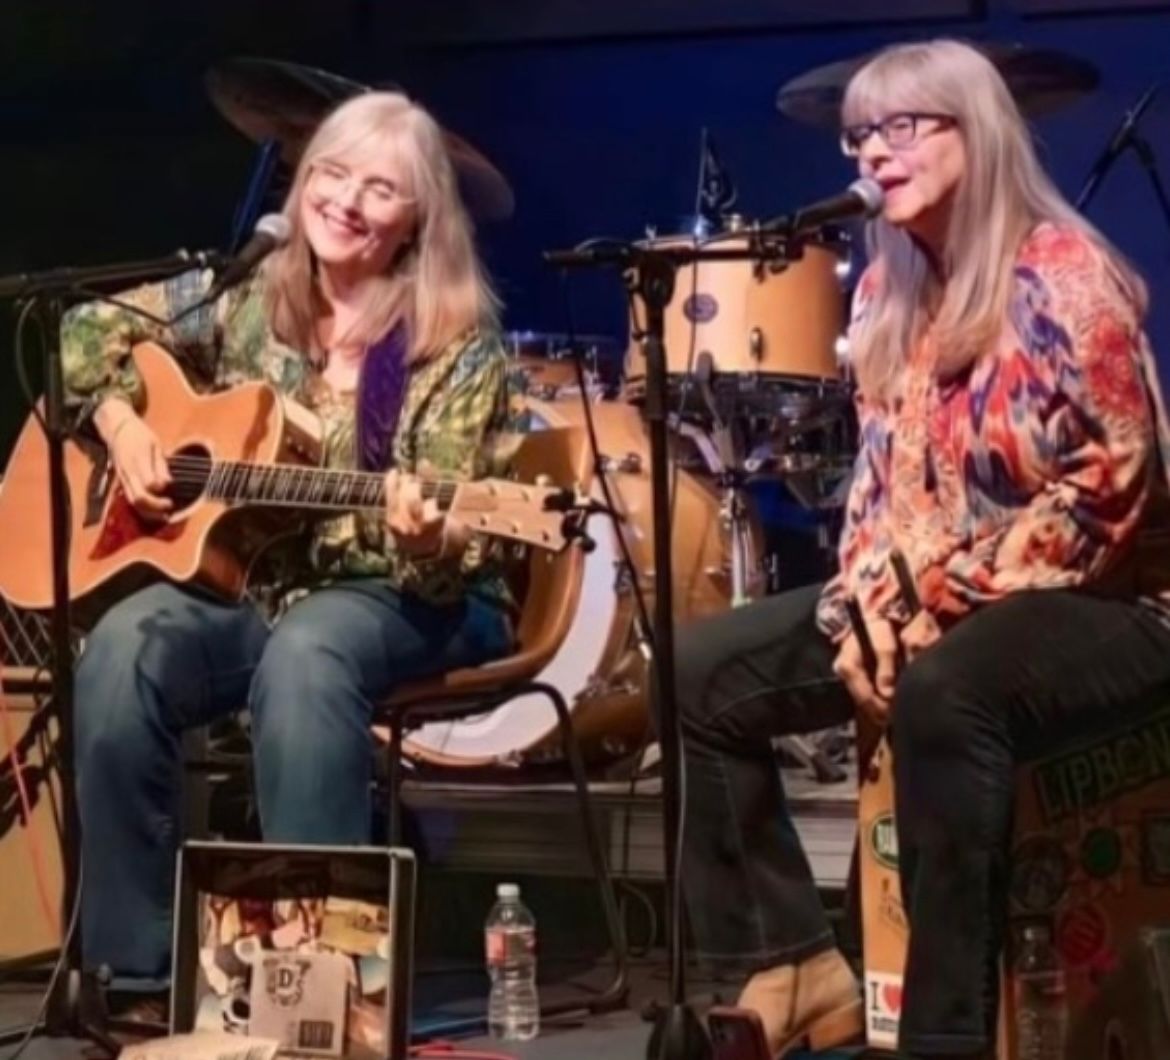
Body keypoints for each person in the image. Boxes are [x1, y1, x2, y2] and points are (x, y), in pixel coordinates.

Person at [673, 38, 1170, 1060]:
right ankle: (795, 960)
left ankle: (942, 1037)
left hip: (1107, 599)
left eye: (902, 127)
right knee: (696, 674)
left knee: (948, 692)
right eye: (861, 134)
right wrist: (867, 606)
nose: (873, 152)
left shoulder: (1064, 276)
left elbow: (1108, 492)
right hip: (937, 601)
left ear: (976, 133)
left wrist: (936, 599)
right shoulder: (884, 296)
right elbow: (878, 490)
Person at [61, 91, 516, 1001]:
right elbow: (85, 328)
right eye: (332, 174)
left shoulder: (455, 344)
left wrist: (427, 532)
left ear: (417, 218)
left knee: (307, 657)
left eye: (378, 188)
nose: (344, 200)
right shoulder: (245, 297)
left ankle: (321, 987)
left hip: (412, 595)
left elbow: (456, 543)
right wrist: (120, 422)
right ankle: (135, 974)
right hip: (256, 586)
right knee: (121, 651)